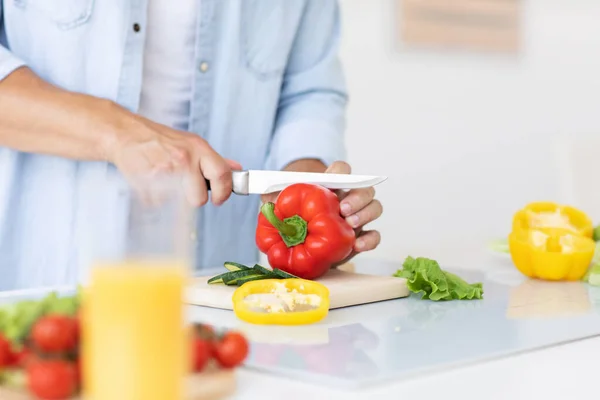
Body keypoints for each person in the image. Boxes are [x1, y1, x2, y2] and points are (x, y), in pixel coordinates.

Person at [0, 0, 383, 290]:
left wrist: (312, 196)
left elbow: (309, 87)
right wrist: (117, 131)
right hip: (44, 284)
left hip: (211, 294)